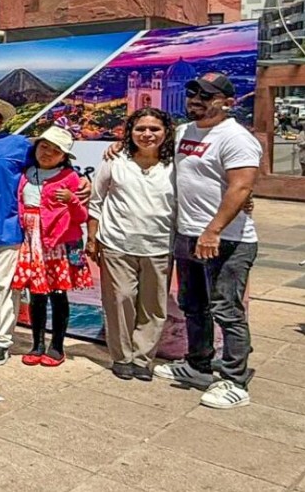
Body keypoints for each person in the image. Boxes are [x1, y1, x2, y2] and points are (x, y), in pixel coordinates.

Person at [0, 96, 91, 366]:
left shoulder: (18, 145)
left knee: (4, 284)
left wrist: (83, 181)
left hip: (10, 227)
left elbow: (50, 165)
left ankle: (1, 340)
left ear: (1, 122)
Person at [154, 73, 260, 409]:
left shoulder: (235, 138)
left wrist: (213, 230)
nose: (196, 100)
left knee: (227, 310)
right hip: (188, 234)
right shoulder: (185, 131)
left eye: (206, 95)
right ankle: (198, 365)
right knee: (193, 305)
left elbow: (241, 187)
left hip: (225, 239)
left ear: (227, 102)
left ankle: (234, 379)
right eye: (192, 93)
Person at [87, 108, 176, 381]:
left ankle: (143, 358)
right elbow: (96, 200)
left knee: (153, 306)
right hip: (117, 243)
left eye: (154, 129)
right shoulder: (115, 160)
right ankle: (122, 356)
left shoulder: (176, 164)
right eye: (140, 129)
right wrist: (92, 238)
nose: (147, 134)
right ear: (130, 132)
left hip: (160, 245)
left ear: (166, 132)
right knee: (120, 300)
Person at [11, 126, 91, 367]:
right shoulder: (27, 173)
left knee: (58, 295)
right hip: (32, 241)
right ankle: (36, 344)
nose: (48, 153)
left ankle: (56, 345)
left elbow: (81, 216)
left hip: (58, 244)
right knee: (36, 295)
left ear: (64, 156)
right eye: (44, 147)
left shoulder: (71, 178)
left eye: (56, 151)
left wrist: (72, 200)